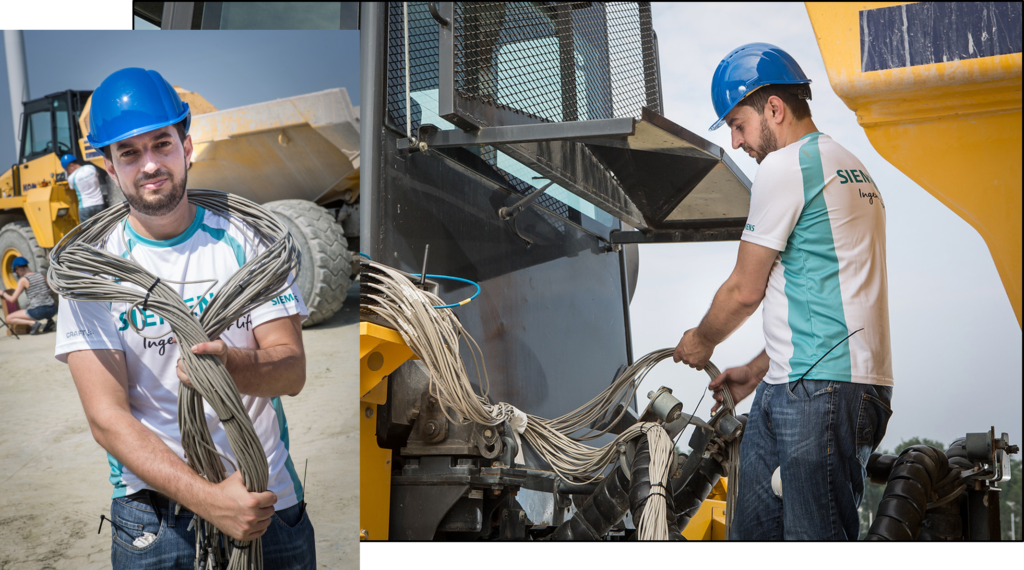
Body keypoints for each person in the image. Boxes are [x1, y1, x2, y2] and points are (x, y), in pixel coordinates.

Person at [54, 68, 315, 568]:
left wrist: (231, 366)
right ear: (109, 166)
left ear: (187, 146)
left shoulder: (250, 242)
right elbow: (106, 420)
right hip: (154, 518)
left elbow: (292, 371)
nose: (149, 164)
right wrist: (210, 501)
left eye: (161, 144)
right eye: (128, 152)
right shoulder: (89, 270)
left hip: (265, 501)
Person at [672, 43, 893, 540]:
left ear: (774, 108)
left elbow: (744, 290)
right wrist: (754, 370)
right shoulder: (852, 168)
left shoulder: (785, 166)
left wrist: (701, 341)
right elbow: (825, 300)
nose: (735, 141)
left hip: (818, 392)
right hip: (814, 382)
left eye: (738, 123)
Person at [1, 256, 56, 335]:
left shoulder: (24, 280)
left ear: (19, 269)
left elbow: (12, 299)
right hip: (52, 309)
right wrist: (43, 292)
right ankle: (50, 322)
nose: (18, 275)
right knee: (45, 306)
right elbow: (54, 289)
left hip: (38, 312)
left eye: (17, 272)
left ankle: (33, 323)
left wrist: (2, 293)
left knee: (8, 318)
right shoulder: (41, 275)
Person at [61, 153, 106, 222]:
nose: (68, 172)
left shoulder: (71, 178)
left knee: (87, 232)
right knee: (104, 229)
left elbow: (71, 188)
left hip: (85, 207)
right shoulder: (91, 167)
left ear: (72, 165)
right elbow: (97, 176)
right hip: (99, 204)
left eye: (67, 170)